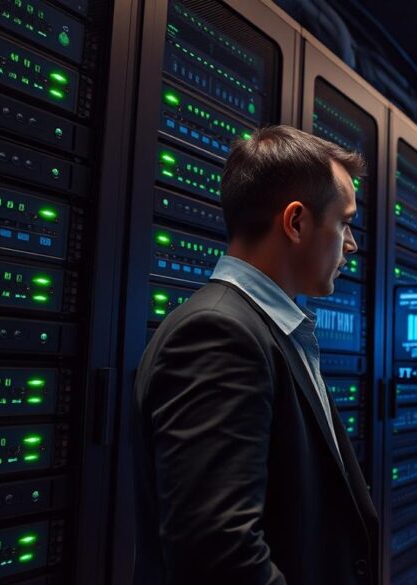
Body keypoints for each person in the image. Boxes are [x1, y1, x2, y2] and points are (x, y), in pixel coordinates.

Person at [134, 125, 378, 584]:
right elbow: (220, 554)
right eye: (344, 222)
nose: (351, 244)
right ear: (296, 222)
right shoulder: (220, 333)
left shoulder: (264, 329)